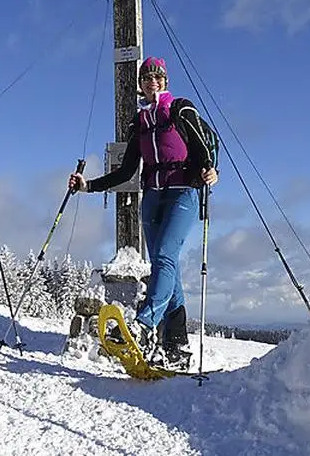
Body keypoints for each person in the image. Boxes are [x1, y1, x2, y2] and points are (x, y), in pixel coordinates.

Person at [68, 56, 218, 370]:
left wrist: (209, 169)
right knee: (169, 268)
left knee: (165, 254)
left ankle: (144, 325)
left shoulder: (180, 108)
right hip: (151, 195)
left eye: (157, 77)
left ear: (165, 81)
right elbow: (125, 171)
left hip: (183, 191)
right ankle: (176, 349)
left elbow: (202, 145)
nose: (152, 82)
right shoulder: (140, 122)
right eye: (147, 78)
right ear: (140, 84)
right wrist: (88, 186)